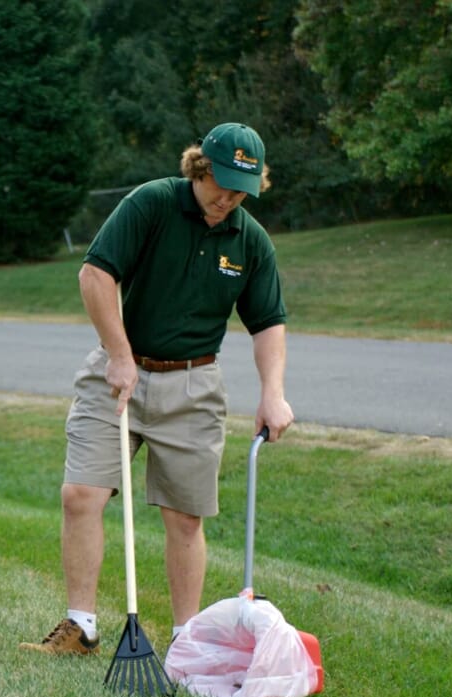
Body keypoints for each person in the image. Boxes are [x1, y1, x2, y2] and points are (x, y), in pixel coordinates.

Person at [20, 123, 295, 656]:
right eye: (223, 184)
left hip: (194, 387)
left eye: (242, 190)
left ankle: (184, 642)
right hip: (118, 374)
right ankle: (82, 627)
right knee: (81, 495)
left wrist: (273, 392)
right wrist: (120, 355)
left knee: (185, 519)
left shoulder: (249, 240)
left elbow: (268, 324)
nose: (229, 199)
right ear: (201, 167)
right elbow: (96, 274)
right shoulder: (152, 203)